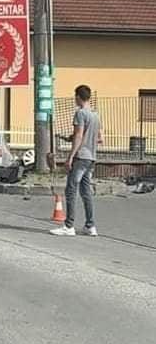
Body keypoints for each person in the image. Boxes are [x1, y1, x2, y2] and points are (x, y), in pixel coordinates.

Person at [50, 85, 102, 237]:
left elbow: (79, 135)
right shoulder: (95, 116)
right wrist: (70, 138)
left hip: (80, 156)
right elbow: (100, 138)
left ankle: (69, 225)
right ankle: (90, 226)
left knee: (71, 189)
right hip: (91, 157)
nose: (75, 99)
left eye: (75, 96)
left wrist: (70, 156)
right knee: (86, 191)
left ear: (79, 97)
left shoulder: (80, 113)